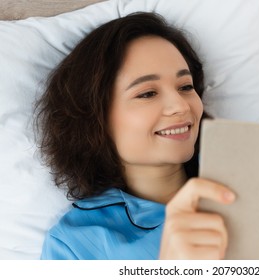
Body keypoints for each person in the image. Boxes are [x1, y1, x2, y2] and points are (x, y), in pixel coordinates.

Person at [35, 12, 235, 260]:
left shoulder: (252, 177)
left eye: (185, 86)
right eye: (148, 93)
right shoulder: (73, 245)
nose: (181, 106)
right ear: (95, 117)